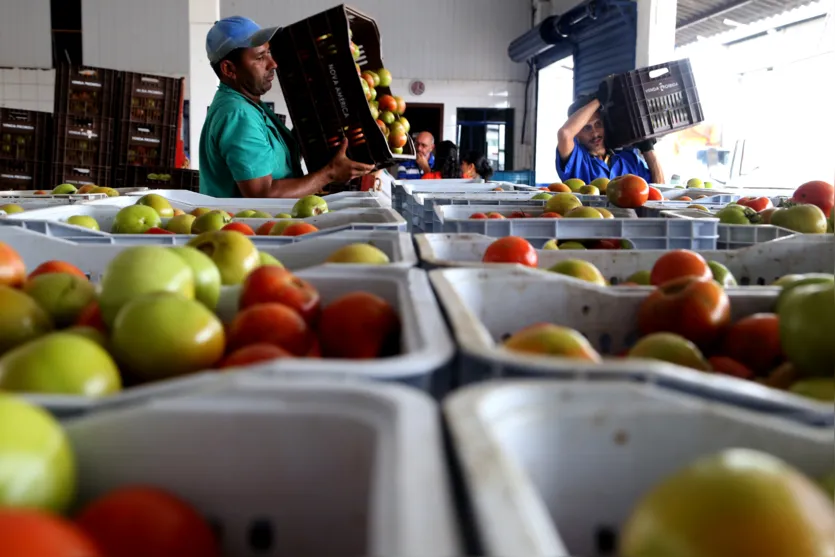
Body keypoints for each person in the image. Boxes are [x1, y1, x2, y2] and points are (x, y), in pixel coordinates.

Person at [199, 16, 375, 198]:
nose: (272, 63)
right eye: (260, 57)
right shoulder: (238, 114)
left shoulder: (251, 105)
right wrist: (329, 173)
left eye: (269, 52)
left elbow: (278, 165)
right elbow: (261, 195)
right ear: (229, 69)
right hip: (249, 225)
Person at [556, 95, 664, 185]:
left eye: (598, 124)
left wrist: (648, 149)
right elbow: (564, 133)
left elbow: (659, 192)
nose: (595, 133)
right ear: (577, 134)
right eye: (586, 128)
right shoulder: (576, 160)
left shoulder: (629, 159)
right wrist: (599, 98)